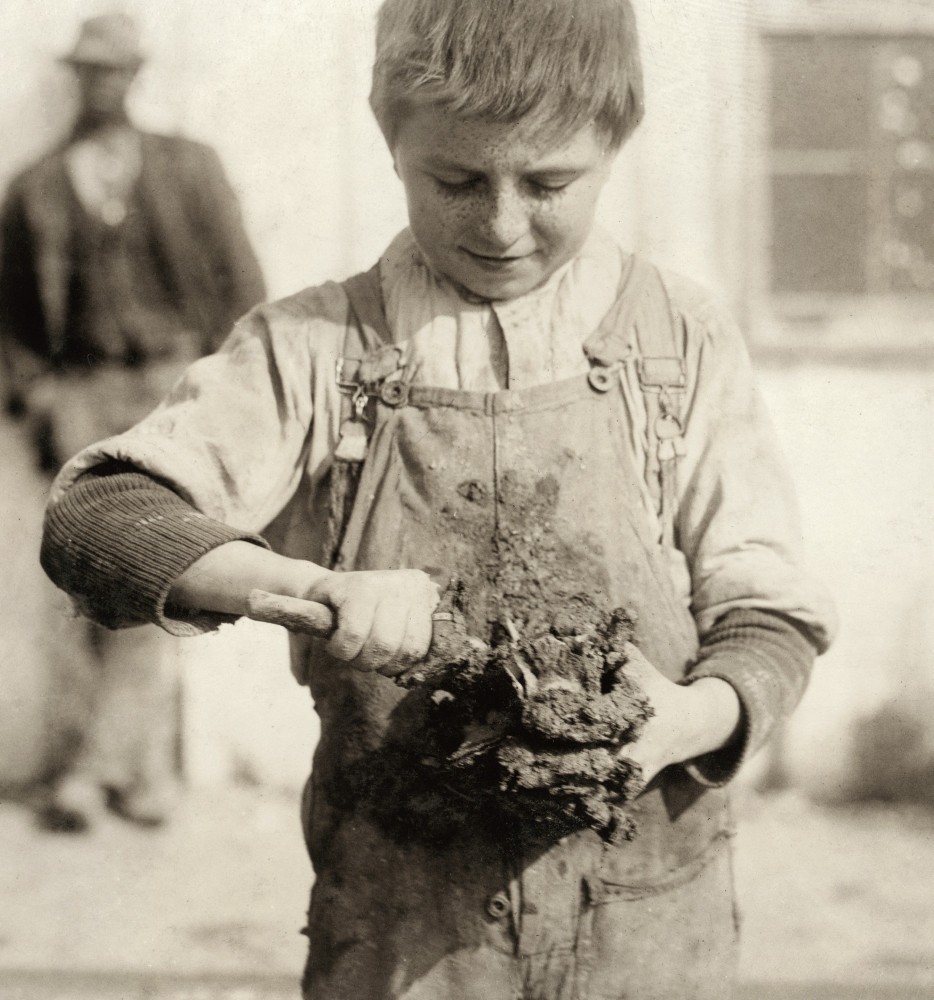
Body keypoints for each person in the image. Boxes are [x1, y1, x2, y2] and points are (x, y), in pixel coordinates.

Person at [41, 0, 835, 995]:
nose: (501, 225)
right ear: (390, 142)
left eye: (549, 182)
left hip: (650, 930)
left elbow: (771, 618)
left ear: (616, 139)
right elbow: (99, 516)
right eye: (454, 180)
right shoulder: (315, 349)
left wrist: (687, 719)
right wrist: (312, 589)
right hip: (406, 938)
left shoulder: (680, 341)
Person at [1, 13, 266, 830]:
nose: (100, 86)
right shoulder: (37, 185)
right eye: (87, 72)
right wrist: (36, 394)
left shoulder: (189, 168)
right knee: (80, 577)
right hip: (80, 389)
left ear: (136, 76)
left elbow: (243, 287)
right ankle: (139, 772)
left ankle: (96, 769)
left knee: (155, 563)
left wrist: (225, 395)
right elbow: (10, 317)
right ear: (74, 79)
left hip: (169, 387)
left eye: (113, 72)